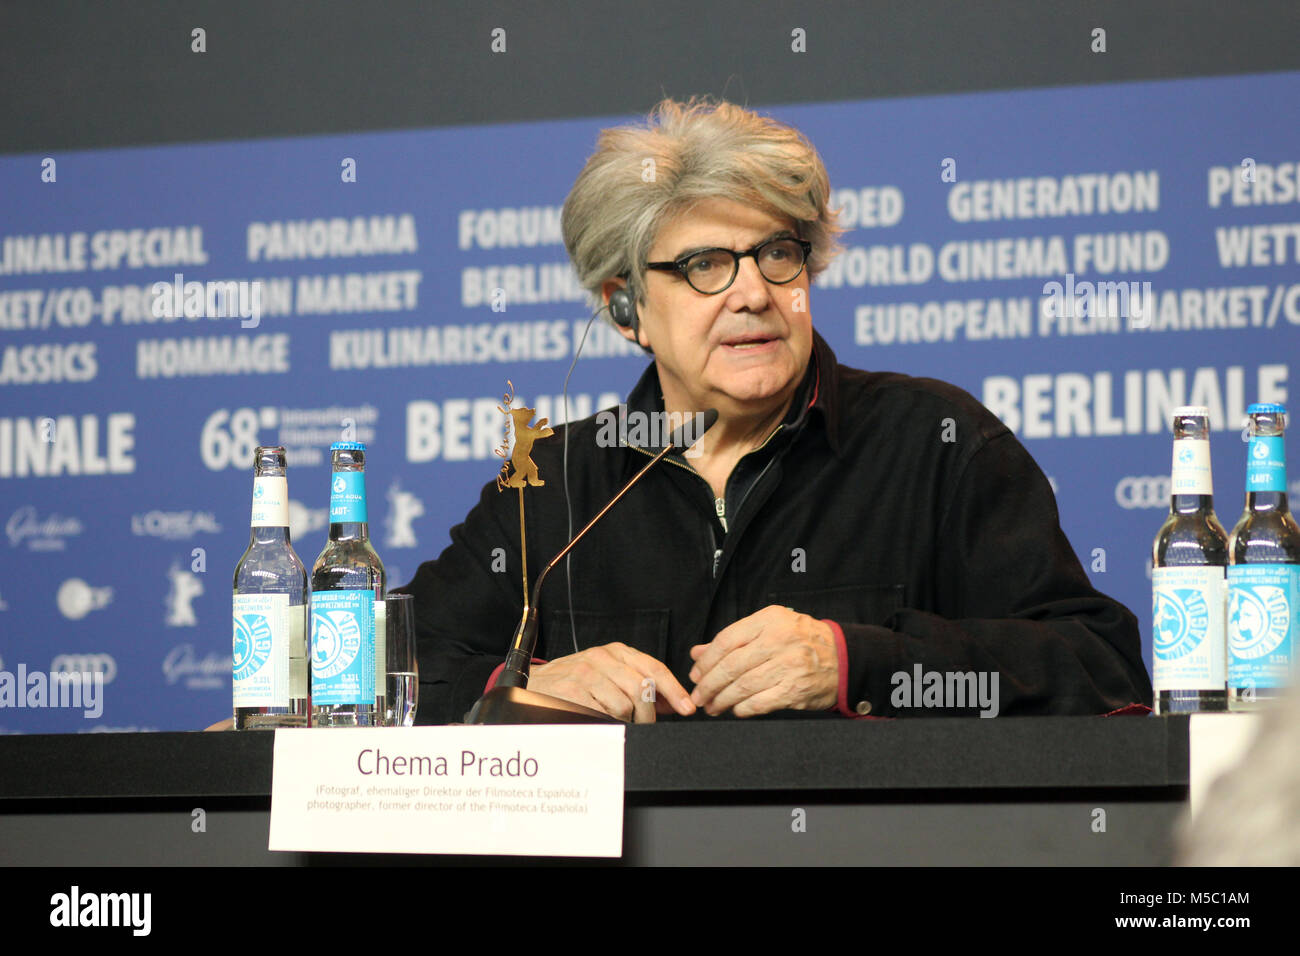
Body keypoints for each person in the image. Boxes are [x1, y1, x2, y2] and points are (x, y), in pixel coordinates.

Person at [399, 96, 1153, 725]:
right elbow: (387, 670)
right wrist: (517, 690)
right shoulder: (552, 484)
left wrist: (859, 663)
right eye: (706, 266)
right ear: (627, 307)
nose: (755, 292)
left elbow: (1103, 666)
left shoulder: (938, 445)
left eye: (777, 254)